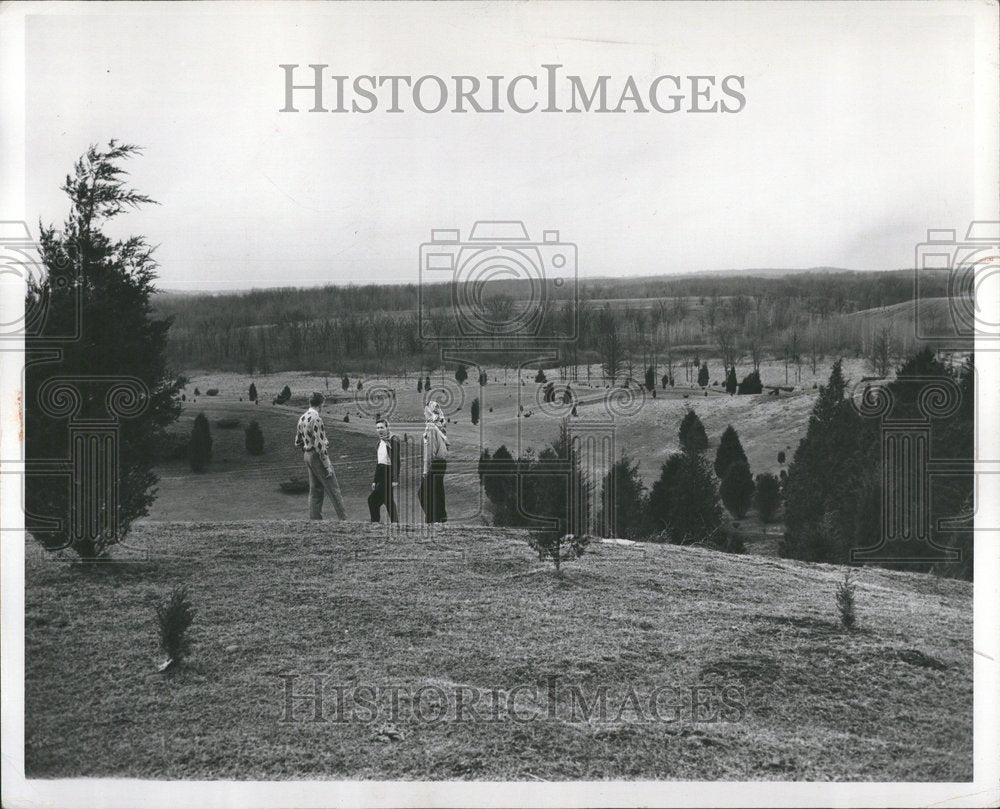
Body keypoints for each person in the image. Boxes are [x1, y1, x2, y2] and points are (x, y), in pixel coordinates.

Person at [294, 392, 348, 521]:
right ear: (321, 404)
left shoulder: (302, 417)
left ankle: (315, 521)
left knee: (315, 491)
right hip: (317, 456)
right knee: (334, 490)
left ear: (310, 402)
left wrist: (307, 448)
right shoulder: (316, 419)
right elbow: (320, 444)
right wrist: (327, 465)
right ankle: (345, 521)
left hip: (307, 455)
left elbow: (297, 442)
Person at [419, 400, 449, 523]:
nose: (424, 413)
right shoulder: (440, 424)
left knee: (423, 493)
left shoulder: (431, 427)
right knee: (437, 492)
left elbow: (429, 451)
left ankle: (432, 519)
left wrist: (426, 471)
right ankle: (440, 518)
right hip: (441, 463)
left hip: (434, 463)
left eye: (426, 411)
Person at [368, 418, 400, 523]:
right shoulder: (379, 443)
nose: (379, 430)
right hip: (381, 474)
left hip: (388, 474)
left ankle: (375, 522)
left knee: (372, 500)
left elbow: (396, 461)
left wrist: (395, 479)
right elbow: (379, 463)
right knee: (388, 501)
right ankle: (395, 523)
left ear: (387, 428)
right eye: (377, 428)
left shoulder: (393, 440)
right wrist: (374, 480)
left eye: (382, 427)